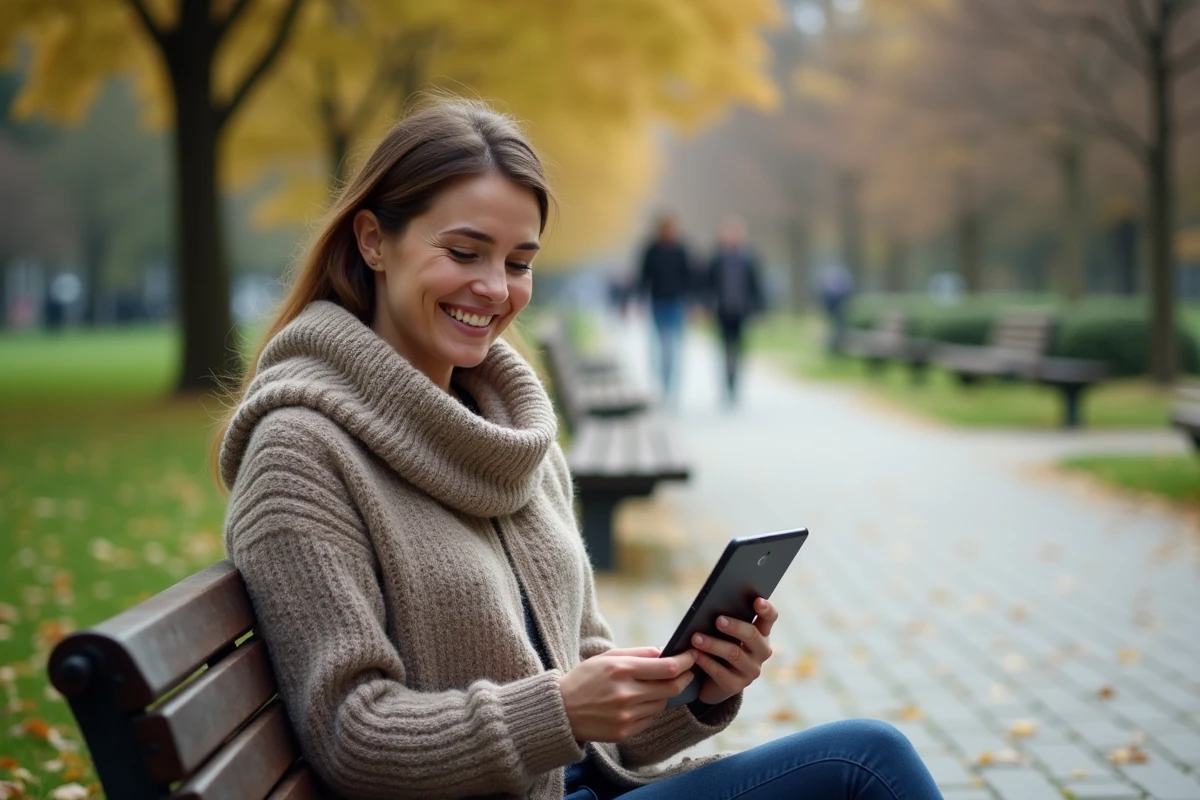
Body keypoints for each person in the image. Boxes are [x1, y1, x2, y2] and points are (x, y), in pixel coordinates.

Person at [213, 99, 940, 800]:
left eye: (519, 262)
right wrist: (558, 710)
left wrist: (698, 686)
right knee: (866, 763)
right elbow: (350, 735)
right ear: (374, 240)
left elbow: (588, 704)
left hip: (586, 788)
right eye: (464, 252)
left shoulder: (510, 434)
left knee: (869, 760)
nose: (494, 288)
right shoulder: (300, 453)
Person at [703, 216, 765, 407]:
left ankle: (735, 384)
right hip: (722, 311)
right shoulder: (716, 258)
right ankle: (727, 382)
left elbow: (755, 285)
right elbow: (708, 284)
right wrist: (706, 305)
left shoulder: (748, 258)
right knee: (724, 349)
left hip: (741, 310)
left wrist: (758, 308)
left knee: (738, 348)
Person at [637, 213, 692, 405]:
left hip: (676, 304)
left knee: (674, 346)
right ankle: (664, 384)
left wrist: (692, 302)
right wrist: (639, 301)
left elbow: (688, 276)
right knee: (662, 345)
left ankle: (672, 387)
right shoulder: (652, 250)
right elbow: (644, 277)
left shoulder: (681, 249)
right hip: (658, 303)